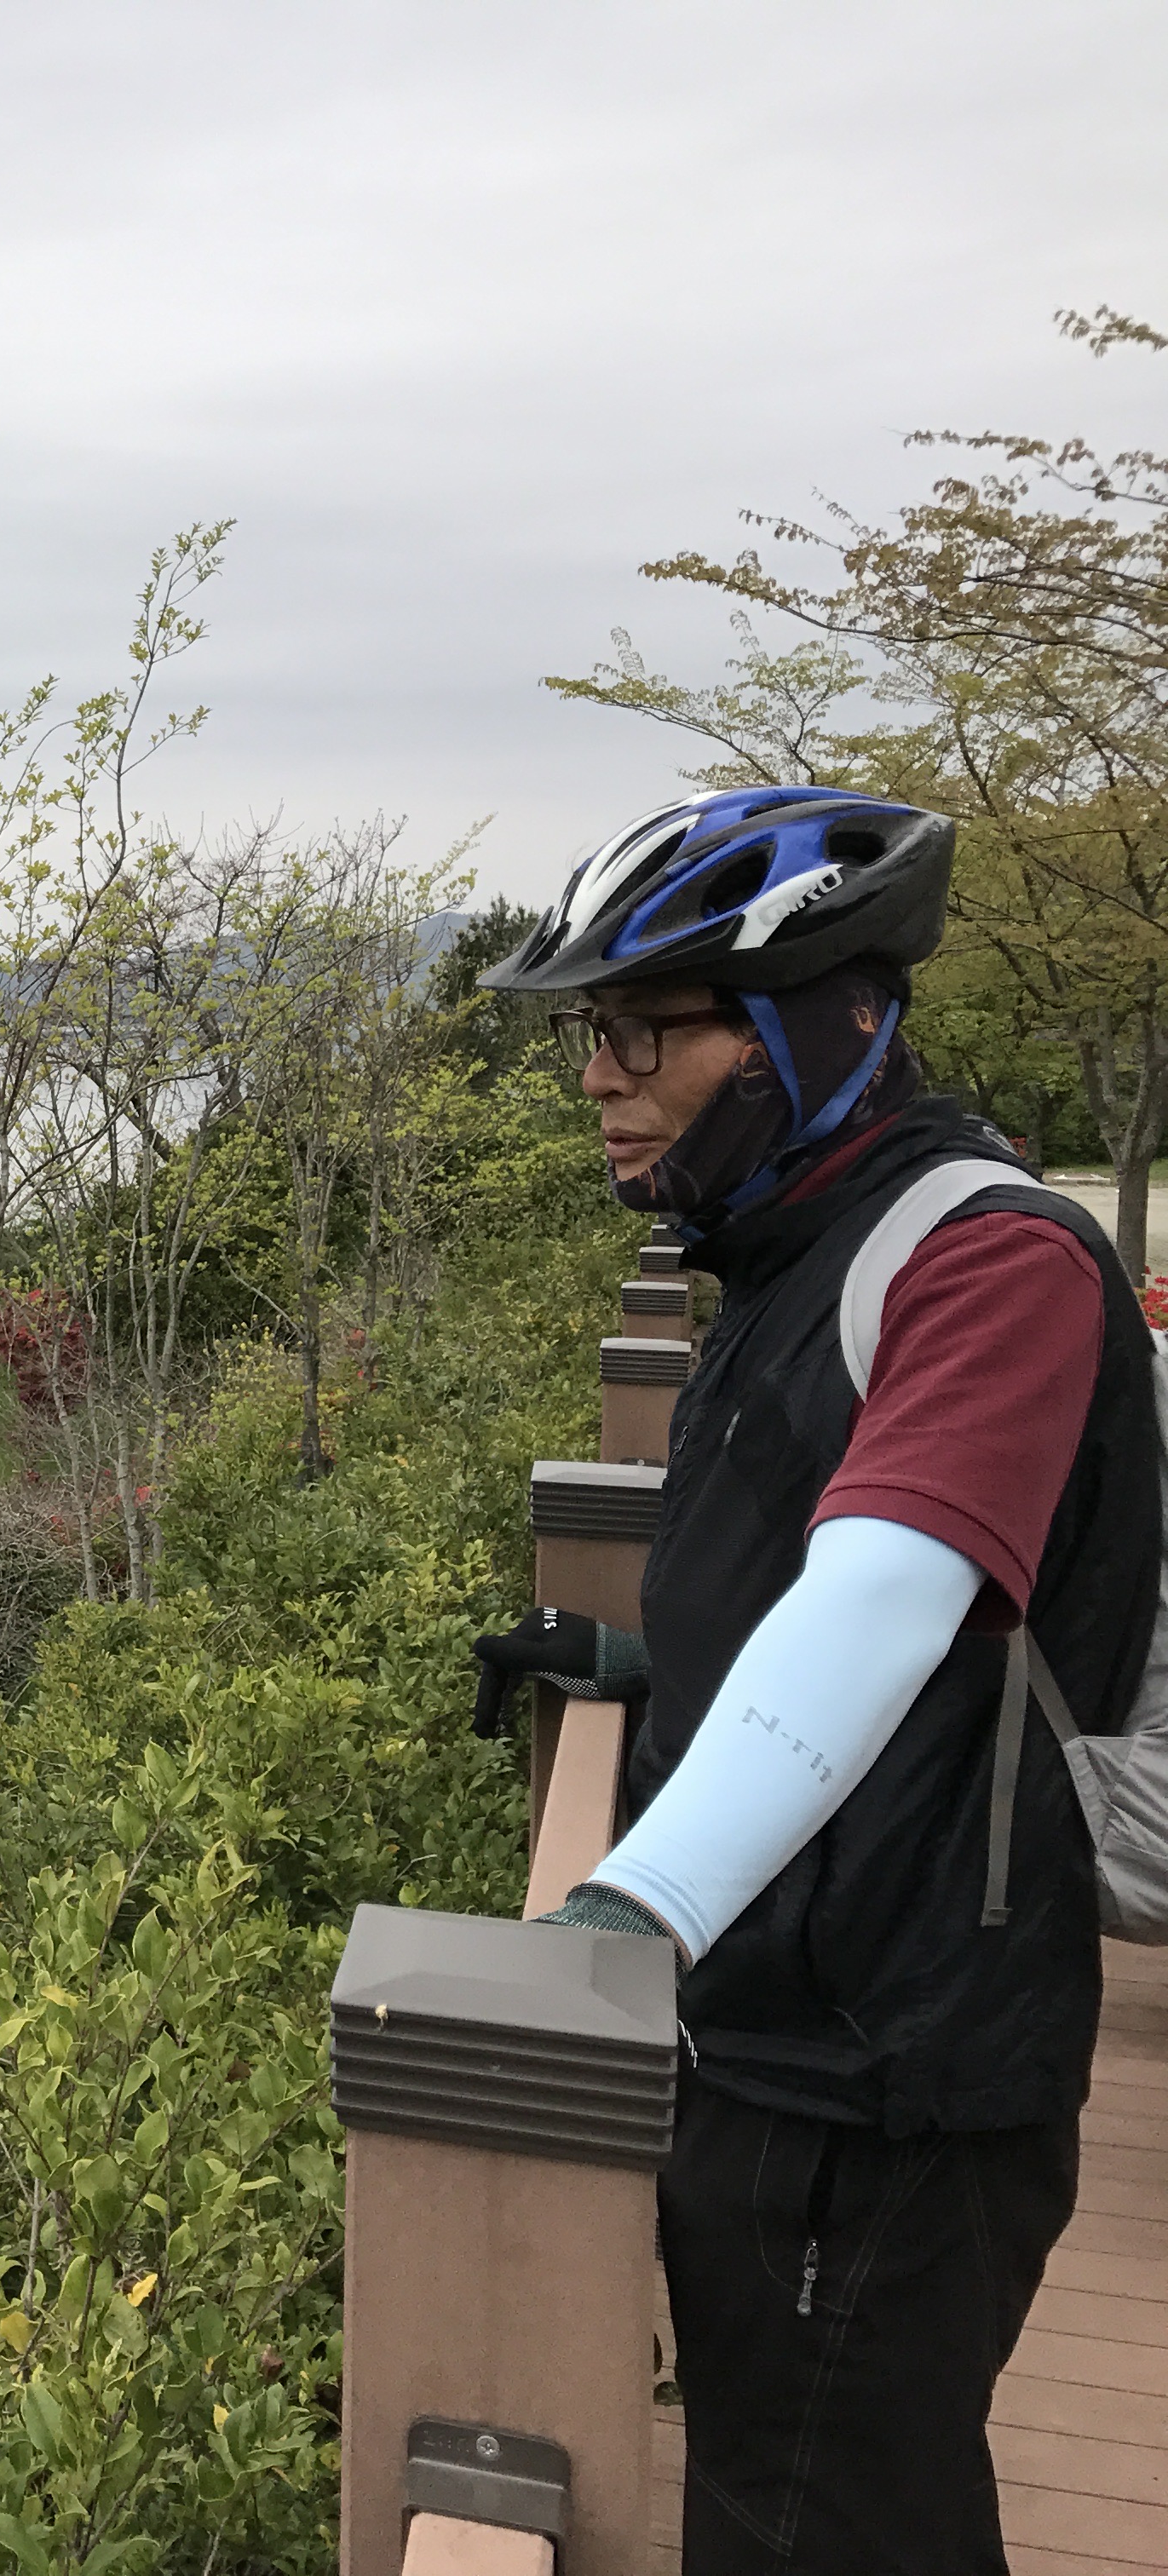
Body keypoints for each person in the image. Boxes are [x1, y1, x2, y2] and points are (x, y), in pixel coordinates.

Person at [468, 785, 1161, 2575]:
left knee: (824, 2519)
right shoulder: (794, 1254)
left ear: (810, 1028)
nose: (600, 1076)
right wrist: (636, 1666)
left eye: (644, 1029)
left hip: (889, 2074)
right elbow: (818, 1598)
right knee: (815, 2493)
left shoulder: (989, 1262)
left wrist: (634, 1902)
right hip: (795, 2027)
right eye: (590, 1035)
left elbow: (883, 1599)